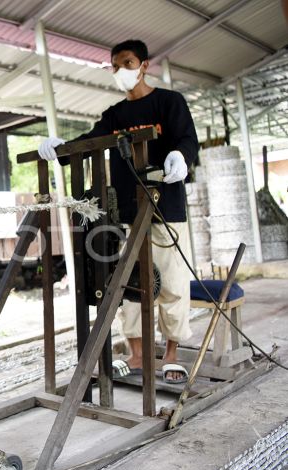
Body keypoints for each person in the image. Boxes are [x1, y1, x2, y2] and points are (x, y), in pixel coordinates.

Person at [38, 39, 198, 384]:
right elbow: (87, 144)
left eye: (127, 63)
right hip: (127, 210)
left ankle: (171, 354)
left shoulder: (169, 102)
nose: (120, 71)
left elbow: (187, 139)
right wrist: (58, 148)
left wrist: (180, 157)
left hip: (164, 206)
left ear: (143, 65)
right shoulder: (114, 116)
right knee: (132, 284)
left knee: (170, 282)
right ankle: (138, 352)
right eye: (115, 65)